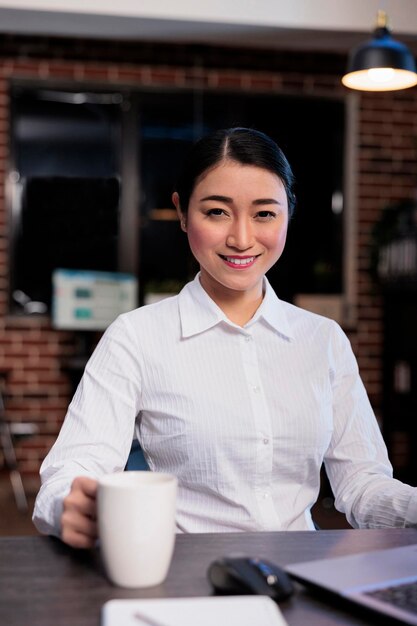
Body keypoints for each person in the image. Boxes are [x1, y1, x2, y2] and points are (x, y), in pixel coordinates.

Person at [33, 127, 417, 548]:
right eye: (217, 212)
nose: (242, 238)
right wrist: (69, 503)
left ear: (288, 213)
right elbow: (72, 468)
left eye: (264, 214)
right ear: (182, 213)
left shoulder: (323, 340)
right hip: (187, 578)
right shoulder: (136, 337)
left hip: (303, 577)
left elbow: (362, 483)